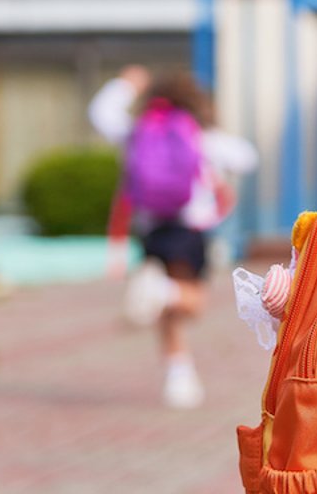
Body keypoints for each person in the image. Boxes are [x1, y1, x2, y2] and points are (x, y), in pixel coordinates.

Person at [89, 66, 256, 409]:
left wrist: (126, 83)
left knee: (168, 311)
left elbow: (100, 114)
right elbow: (245, 158)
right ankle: (161, 297)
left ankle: (179, 376)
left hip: (151, 229)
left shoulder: (138, 130)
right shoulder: (200, 134)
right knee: (192, 303)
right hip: (188, 229)